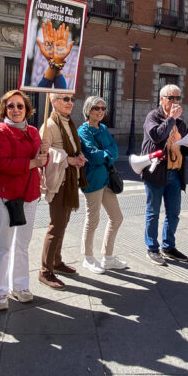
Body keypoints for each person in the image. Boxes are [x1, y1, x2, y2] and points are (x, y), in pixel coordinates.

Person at [0, 90, 49, 308]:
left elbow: (42, 161)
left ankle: (20, 285)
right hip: (6, 195)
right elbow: (2, 163)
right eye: (11, 106)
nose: (15, 110)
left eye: (20, 106)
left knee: (22, 243)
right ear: (4, 109)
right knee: (3, 244)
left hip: (29, 194)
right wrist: (33, 163)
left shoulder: (33, 131)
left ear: (27, 109)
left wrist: (44, 154)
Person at [140, 84, 188, 265]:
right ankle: (152, 248)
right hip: (156, 173)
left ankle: (168, 246)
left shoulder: (180, 123)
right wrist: (171, 118)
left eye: (177, 98)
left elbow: (181, 149)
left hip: (175, 173)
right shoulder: (153, 117)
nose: (175, 102)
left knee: (174, 213)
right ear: (161, 99)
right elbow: (157, 136)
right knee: (153, 213)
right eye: (171, 98)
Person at [39, 93, 87, 288]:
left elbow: (73, 148)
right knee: (56, 226)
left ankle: (56, 262)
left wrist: (78, 156)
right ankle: (45, 271)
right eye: (65, 99)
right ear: (53, 101)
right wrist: (69, 159)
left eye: (72, 99)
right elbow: (45, 154)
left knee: (62, 224)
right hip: (59, 182)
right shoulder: (49, 125)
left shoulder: (68, 123)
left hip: (70, 181)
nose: (70, 103)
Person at [77, 95, 127, 273]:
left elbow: (115, 150)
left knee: (117, 217)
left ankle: (108, 256)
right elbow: (93, 156)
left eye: (103, 108)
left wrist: (105, 154)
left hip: (107, 179)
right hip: (93, 180)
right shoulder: (83, 131)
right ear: (88, 110)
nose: (100, 111)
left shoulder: (104, 128)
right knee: (93, 219)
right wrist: (107, 155)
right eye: (96, 108)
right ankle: (88, 258)